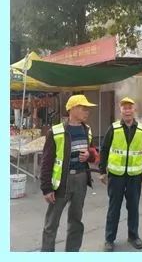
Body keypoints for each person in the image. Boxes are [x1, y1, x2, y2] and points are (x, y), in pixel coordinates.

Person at [39, 94, 98, 252]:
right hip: (62, 182)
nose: (87, 112)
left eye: (88, 109)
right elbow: (46, 161)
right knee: (52, 223)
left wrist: (89, 156)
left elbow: (93, 153)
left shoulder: (87, 130)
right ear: (72, 109)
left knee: (76, 221)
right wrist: (46, 188)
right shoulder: (56, 131)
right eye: (83, 108)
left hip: (81, 179)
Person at [99, 97, 142, 252]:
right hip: (116, 175)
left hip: (135, 176)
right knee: (114, 208)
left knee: (133, 207)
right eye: (124, 108)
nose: (127, 111)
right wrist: (102, 171)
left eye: (130, 108)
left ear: (134, 110)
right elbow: (104, 149)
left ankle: (133, 236)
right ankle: (109, 239)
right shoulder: (113, 128)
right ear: (120, 111)